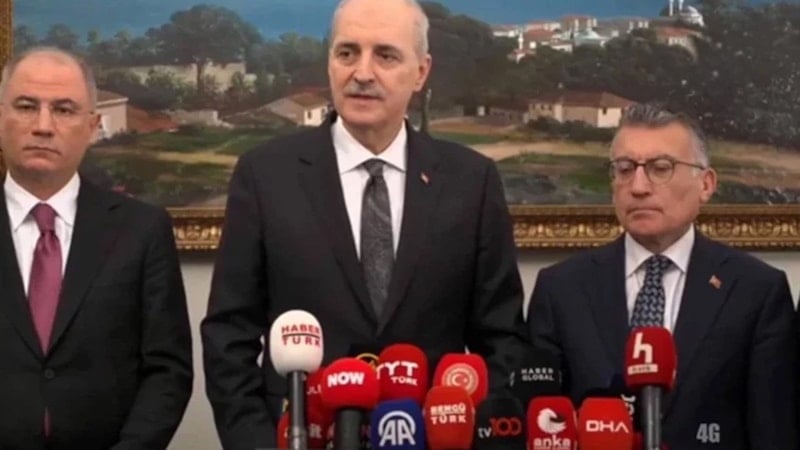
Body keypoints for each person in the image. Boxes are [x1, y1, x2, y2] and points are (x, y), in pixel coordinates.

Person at [200, 0, 528, 448]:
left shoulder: (471, 180)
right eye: (347, 53)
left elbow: (503, 339)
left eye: (386, 55)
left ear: (421, 72)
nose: (362, 73)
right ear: (330, 63)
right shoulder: (265, 175)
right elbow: (228, 335)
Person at [527, 102, 798, 449]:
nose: (638, 186)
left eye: (660, 168)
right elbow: (542, 421)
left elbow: (773, 432)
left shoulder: (756, 290)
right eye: (625, 169)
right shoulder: (561, 289)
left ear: (706, 184)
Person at [0, 47, 193, 450]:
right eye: (26, 106)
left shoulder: (141, 230)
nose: (43, 126)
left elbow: (167, 371)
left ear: (91, 127)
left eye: (64, 110)